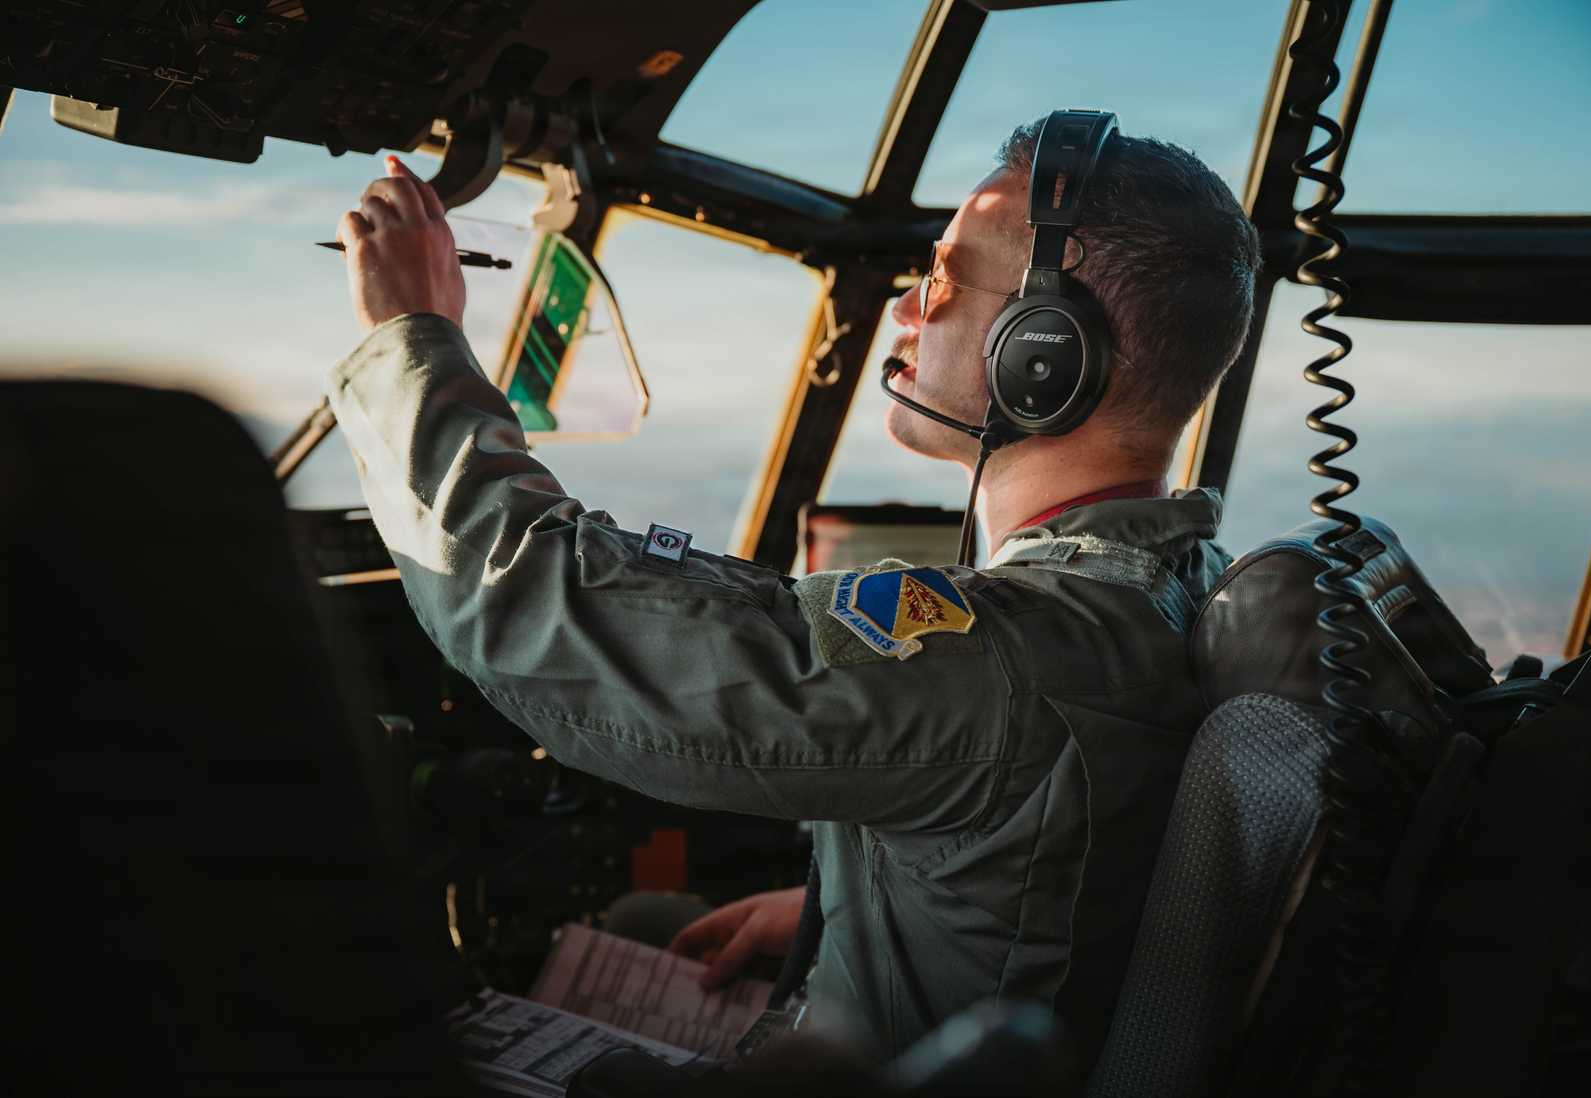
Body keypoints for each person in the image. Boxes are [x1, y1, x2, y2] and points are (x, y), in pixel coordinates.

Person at [326, 114, 1262, 1066]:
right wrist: (863, 907)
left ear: (1045, 354)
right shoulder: (1178, 586)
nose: (905, 307)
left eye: (941, 276)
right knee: (654, 918)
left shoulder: (1014, 659)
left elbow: (543, 612)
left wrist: (413, 337)